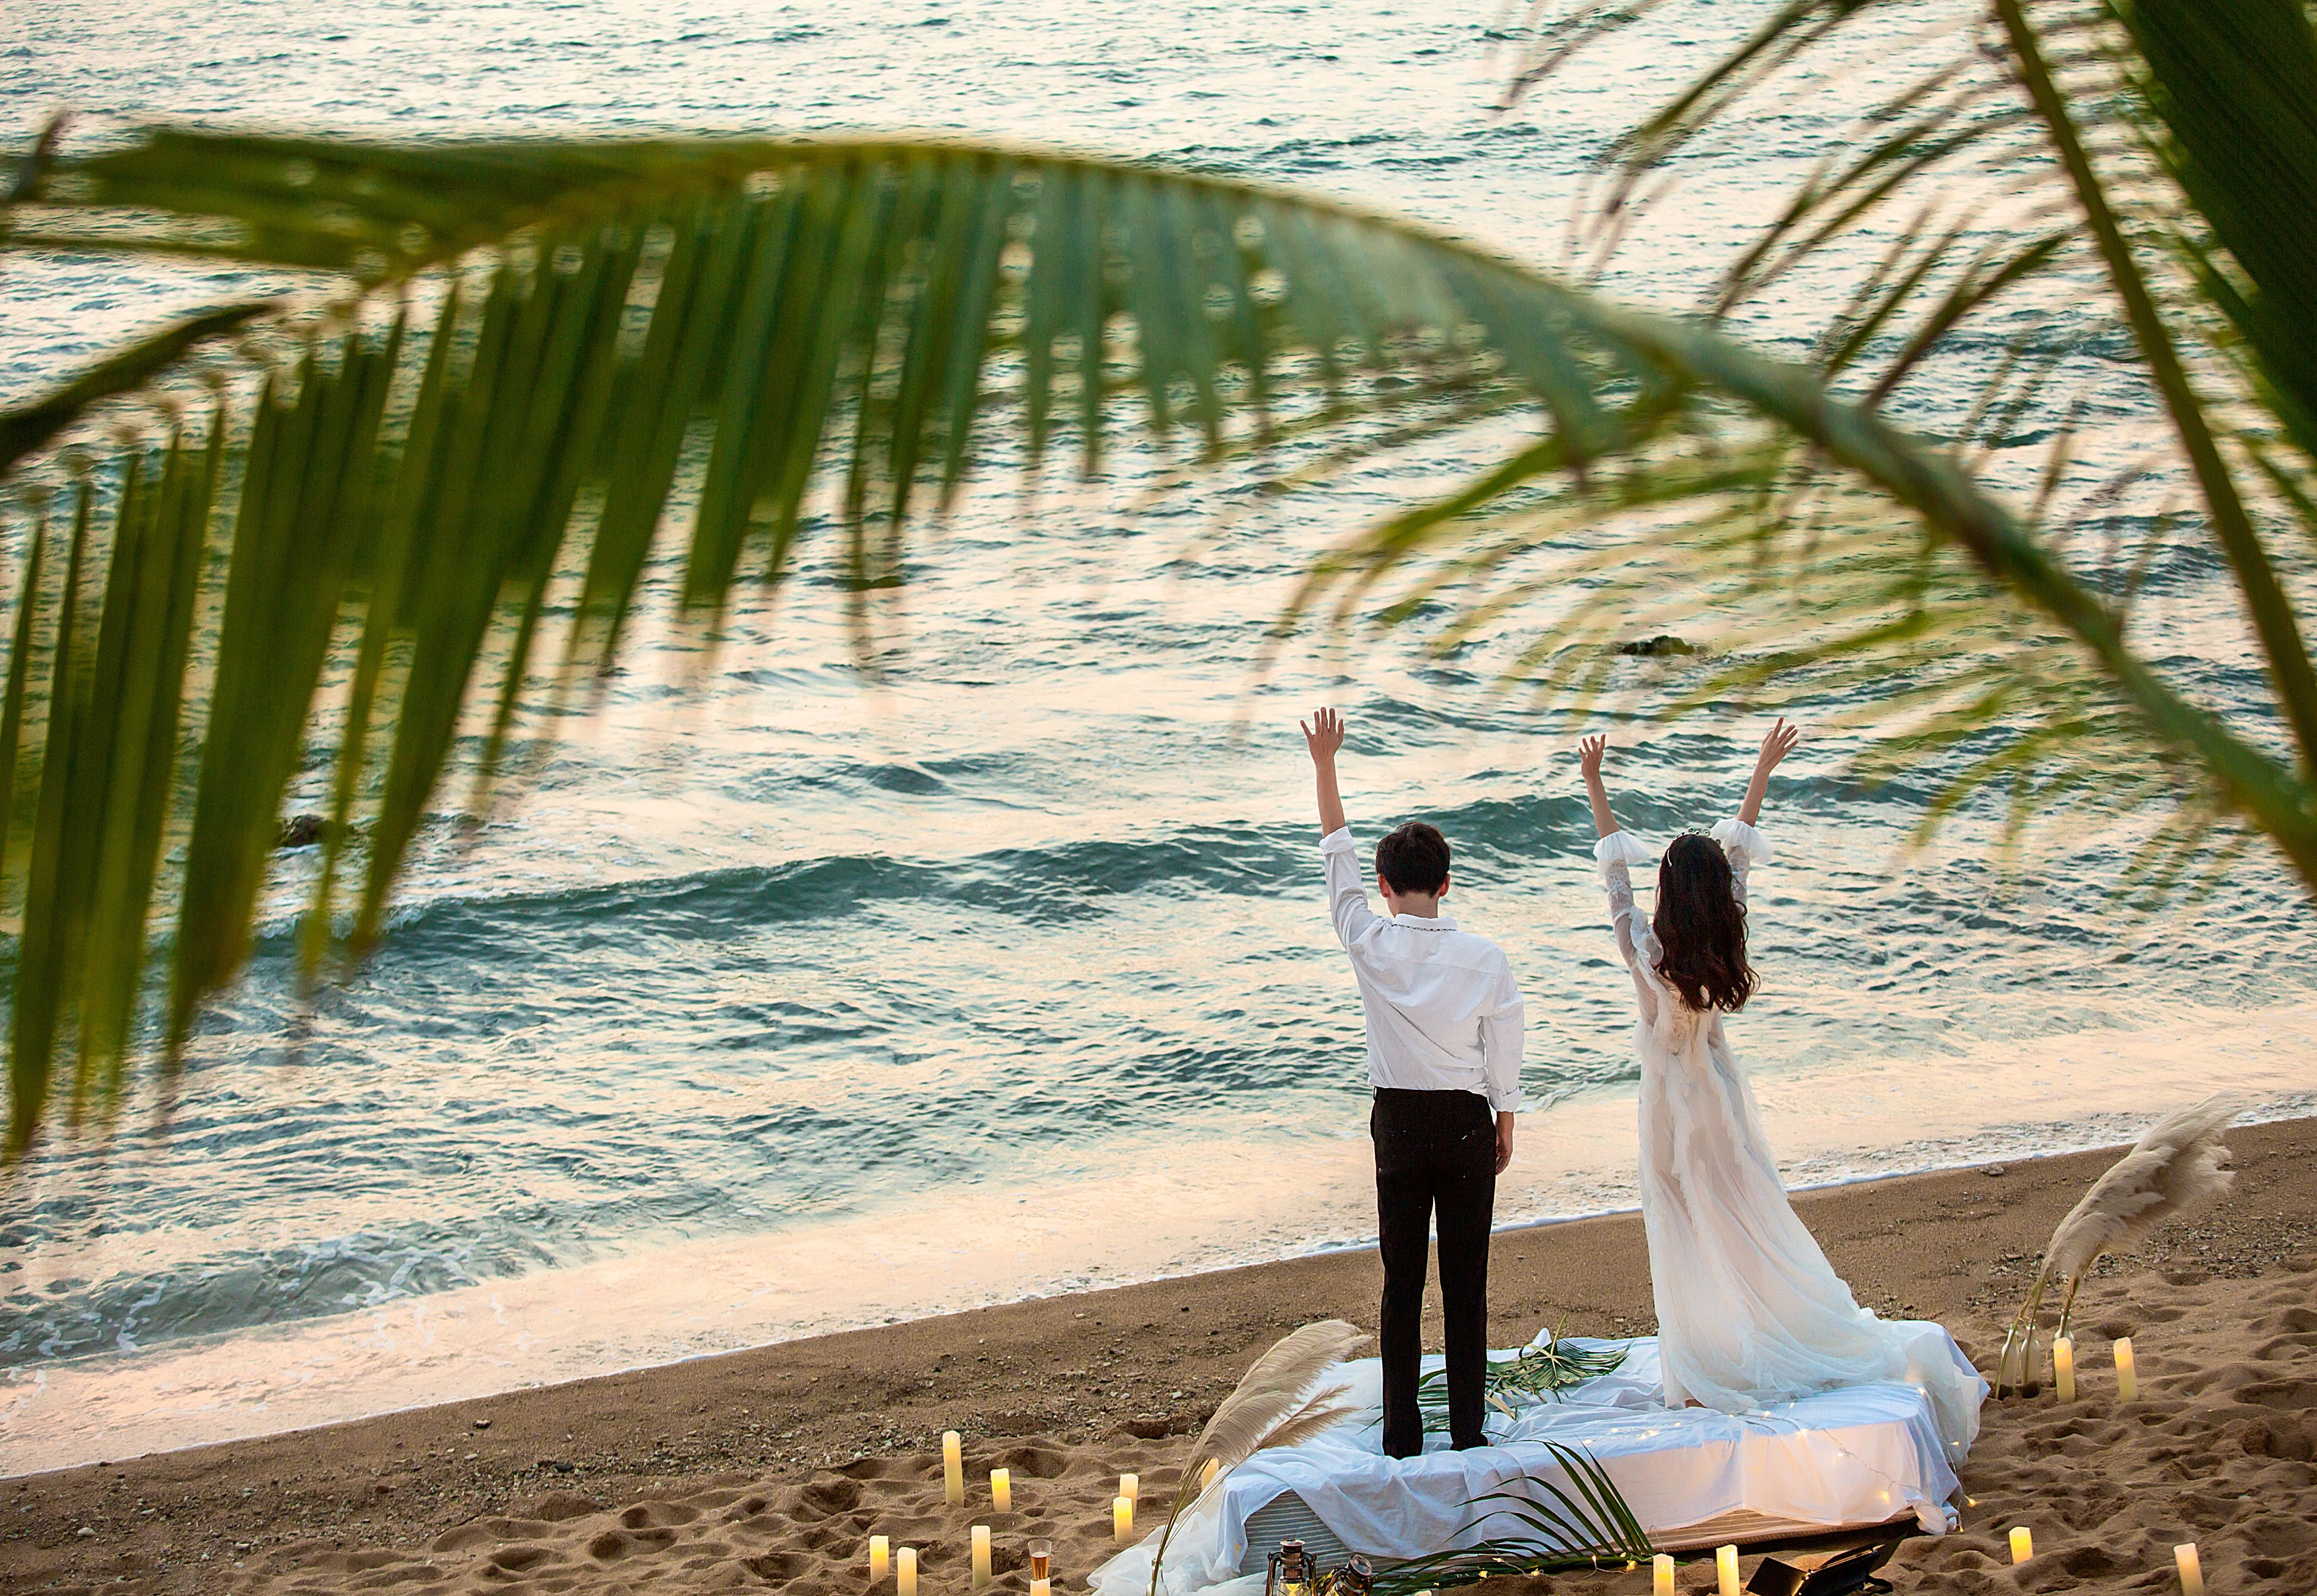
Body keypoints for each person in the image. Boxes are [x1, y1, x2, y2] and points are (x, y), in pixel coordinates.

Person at [1576, 720, 1984, 1457]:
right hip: (1722, 1100)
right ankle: (1762, 1330)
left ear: (1668, 891)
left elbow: (1615, 877)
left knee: (1682, 1229)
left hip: (1668, 1108)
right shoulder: (1724, 934)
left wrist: (1595, 783)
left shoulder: (1645, 947)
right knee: (1746, 1218)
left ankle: (1698, 1364)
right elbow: (1737, 853)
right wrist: (1761, 769)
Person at [1301, 707, 1525, 1458]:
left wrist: (1324, 764)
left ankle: (1402, 1436)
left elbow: (1336, 857)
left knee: (1403, 1285)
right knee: (1467, 1282)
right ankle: (1468, 1428)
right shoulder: (1485, 955)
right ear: (1448, 883)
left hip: (1397, 1122)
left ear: (1386, 885)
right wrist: (1505, 1115)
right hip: (1465, 1121)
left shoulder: (1368, 937)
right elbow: (1506, 1038)